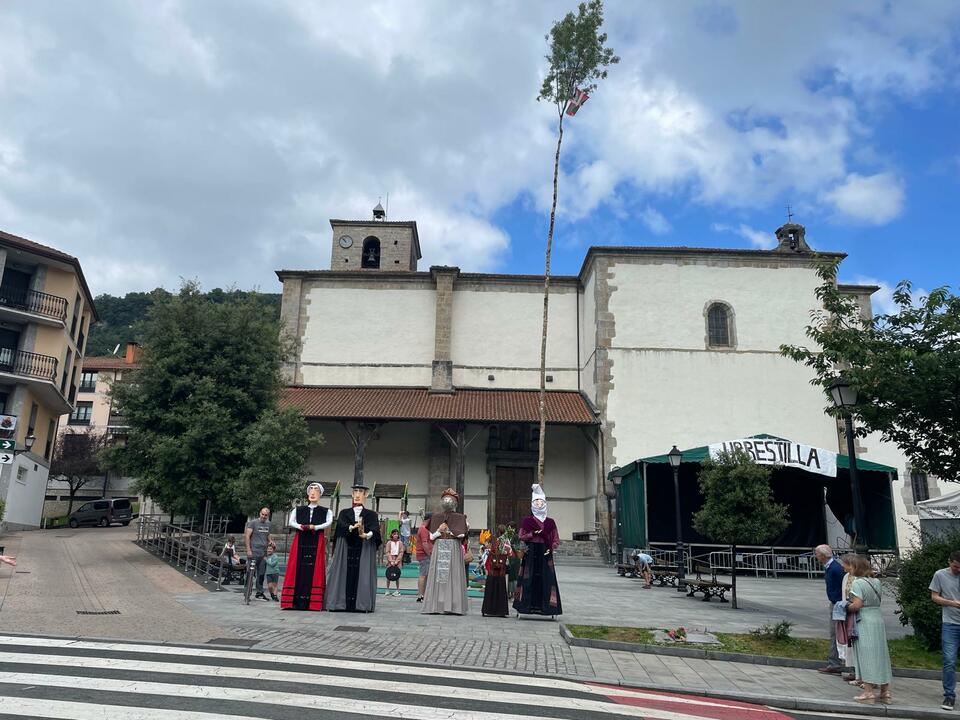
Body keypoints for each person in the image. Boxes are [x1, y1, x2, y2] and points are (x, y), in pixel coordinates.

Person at [326, 482, 380, 612]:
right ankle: (340, 603)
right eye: (355, 492)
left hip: (363, 548)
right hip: (346, 548)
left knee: (363, 573)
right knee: (342, 572)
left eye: (360, 492)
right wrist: (351, 527)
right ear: (352, 494)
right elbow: (341, 527)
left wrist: (367, 535)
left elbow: (375, 530)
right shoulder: (344, 513)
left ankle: (361, 604)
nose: (357, 495)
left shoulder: (371, 515)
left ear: (366, 495)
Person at [846, 554, 892, 704]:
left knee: (866, 654)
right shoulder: (876, 581)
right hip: (877, 618)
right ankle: (885, 692)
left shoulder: (857, 583)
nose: (849, 568)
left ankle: (868, 692)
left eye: (851, 566)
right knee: (881, 654)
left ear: (856, 567)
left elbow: (857, 605)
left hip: (864, 620)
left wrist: (845, 607)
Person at [282, 482, 332, 611]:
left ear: (320, 494)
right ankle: (293, 601)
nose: (313, 492)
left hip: (316, 539)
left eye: (316, 490)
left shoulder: (326, 511)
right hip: (301, 538)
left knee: (315, 566)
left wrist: (316, 527)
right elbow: (291, 522)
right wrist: (302, 527)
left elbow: (329, 522)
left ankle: (313, 602)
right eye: (311, 489)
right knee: (296, 564)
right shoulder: (298, 510)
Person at [514, 484, 562, 617]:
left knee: (547, 580)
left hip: (545, 553)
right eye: (537, 502)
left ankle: (547, 608)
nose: (539, 504)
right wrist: (532, 534)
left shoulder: (550, 522)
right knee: (527, 580)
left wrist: (551, 548)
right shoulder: (527, 521)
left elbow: (556, 539)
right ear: (533, 504)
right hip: (531, 553)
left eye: (541, 502)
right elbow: (521, 536)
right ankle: (525, 606)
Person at [422, 488, 469, 615]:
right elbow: (431, 537)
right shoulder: (436, 517)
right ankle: (437, 604)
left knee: (453, 575)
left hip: (453, 547)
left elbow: (461, 535)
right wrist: (439, 530)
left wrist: (450, 531)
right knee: (439, 576)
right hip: (440, 546)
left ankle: (453, 605)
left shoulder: (460, 518)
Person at [930, 549, 960, 711]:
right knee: (949, 660)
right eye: (956, 567)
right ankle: (949, 695)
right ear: (949, 562)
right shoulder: (940, 575)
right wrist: (952, 603)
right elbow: (934, 596)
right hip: (950, 623)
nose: (958, 570)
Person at [815, 544, 846, 674]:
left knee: (836, 632)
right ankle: (835, 662)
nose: (816, 556)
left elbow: (842, 586)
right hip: (835, 602)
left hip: (838, 603)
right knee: (835, 633)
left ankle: (835, 663)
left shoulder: (834, 568)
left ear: (823, 555)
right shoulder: (830, 567)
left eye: (817, 554)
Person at [244, 507, 272, 601]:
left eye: (266, 515)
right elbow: (247, 536)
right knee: (250, 573)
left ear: (268, 516)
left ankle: (259, 593)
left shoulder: (268, 524)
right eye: (262, 514)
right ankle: (247, 593)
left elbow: (268, 534)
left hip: (263, 553)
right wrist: (248, 550)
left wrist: (270, 541)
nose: (264, 516)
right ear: (260, 513)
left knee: (261, 574)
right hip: (253, 552)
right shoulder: (253, 523)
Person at [481, 535, 510, 617]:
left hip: (494, 572)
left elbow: (486, 563)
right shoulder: (500, 549)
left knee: (492, 589)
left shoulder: (492, 551)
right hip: (497, 572)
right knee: (498, 589)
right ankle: (500, 611)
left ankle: (489, 610)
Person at [415, 512, 434, 603]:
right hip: (424, 555)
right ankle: (420, 595)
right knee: (423, 575)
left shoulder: (423, 528)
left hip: (424, 554)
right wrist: (429, 554)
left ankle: (423, 594)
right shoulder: (423, 529)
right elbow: (424, 543)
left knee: (425, 575)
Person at [385, 529, 404, 596]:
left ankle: (397, 590)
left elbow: (401, 552)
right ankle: (387, 589)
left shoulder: (400, 543)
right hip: (390, 560)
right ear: (392, 535)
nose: (396, 535)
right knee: (388, 575)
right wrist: (391, 561)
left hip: (397, 560)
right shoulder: (389, 542)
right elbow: (387, 552)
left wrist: (397, 561)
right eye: (394, 534)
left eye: (397, 534)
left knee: (397, 575)